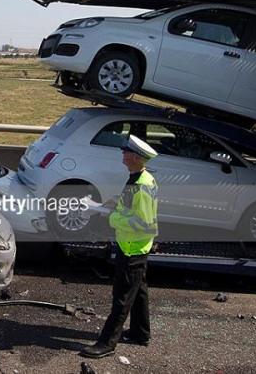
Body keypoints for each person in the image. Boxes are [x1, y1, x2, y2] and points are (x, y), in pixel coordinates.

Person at [81, 135, 159, 359]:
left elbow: (143, 224)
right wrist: (111, 204)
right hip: (136, 246)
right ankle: (140, 333)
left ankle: (106, 343)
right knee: (139, 292)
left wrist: (110, 217)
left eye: (126, 153)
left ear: (135, 157)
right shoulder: (139, 178)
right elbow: (131, 205)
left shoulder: (141, 185)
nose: (122, 155)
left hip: (133, 247)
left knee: (122, 298)